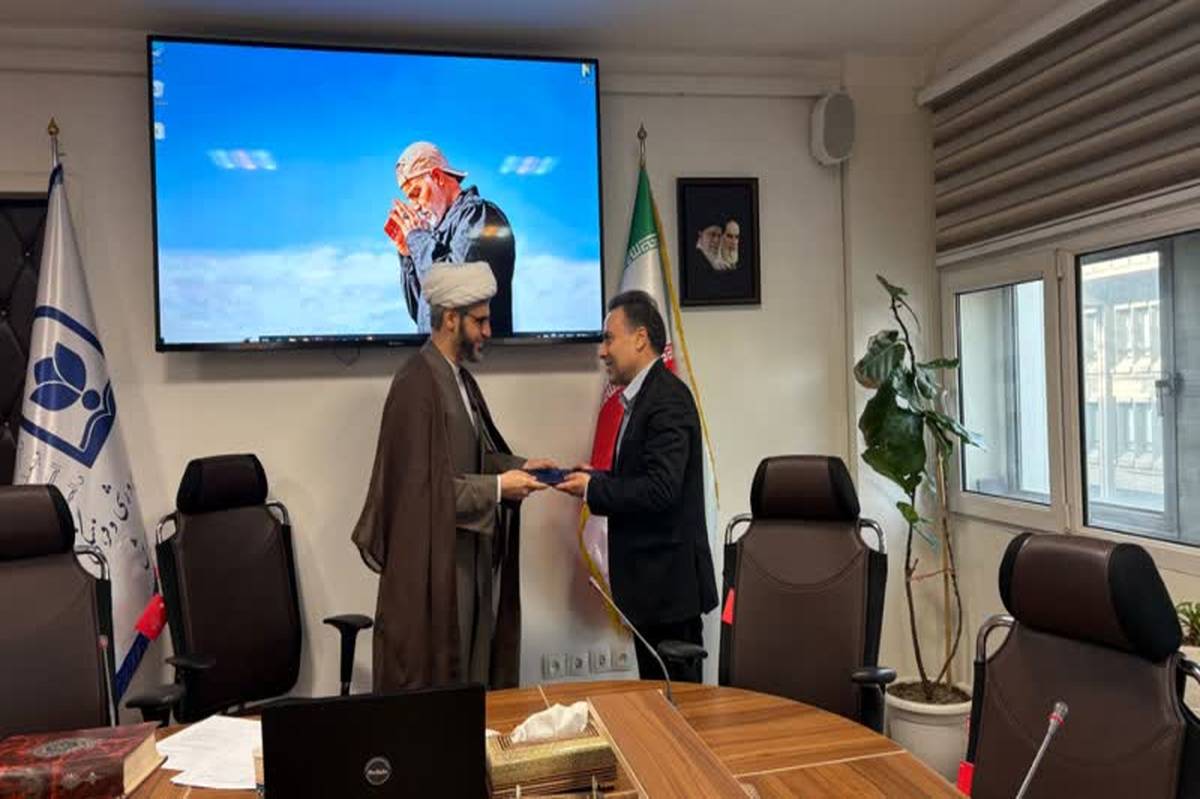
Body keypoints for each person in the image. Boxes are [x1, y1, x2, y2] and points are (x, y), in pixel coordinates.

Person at [352, 261, 552, 690]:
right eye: (479, 321)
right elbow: (418, 493)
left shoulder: (459, 380)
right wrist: (498, 488)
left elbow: (470, 458)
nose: (488, 331)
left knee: (470, 685)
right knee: (438, 694)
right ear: (449, 319)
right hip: (433, 572)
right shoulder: (416, 384)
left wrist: (518, 468)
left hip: (465, 560)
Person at [557, 291, 718, 683]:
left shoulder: (667, 399)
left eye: (609, 338)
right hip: (651, 590)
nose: (602, 351)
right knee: (657, 704)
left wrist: (594, 491)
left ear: (641, 338)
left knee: (679, 708)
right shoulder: (645, 397)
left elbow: (661, 489)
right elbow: (643, 477)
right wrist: (597, 479)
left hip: (669, 592)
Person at [387, 141, 517, 336]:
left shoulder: (479, 215)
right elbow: (422, 313)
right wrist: (408, 256)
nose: (415, 206)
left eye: (417, 193)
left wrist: (417, 239)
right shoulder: (434, 237)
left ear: (438, 177)